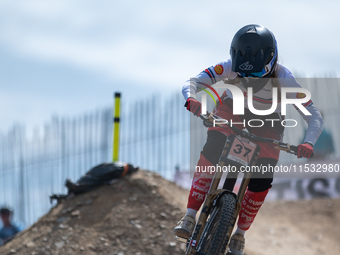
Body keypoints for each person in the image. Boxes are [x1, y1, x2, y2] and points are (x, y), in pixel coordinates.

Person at [173, 24, 323, 255]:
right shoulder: (230, 66)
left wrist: (308, 142)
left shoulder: (285, 78)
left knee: (262, 177)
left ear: (271, 61)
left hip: (268, 121)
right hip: (231, 109)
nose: (249, 78)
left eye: (255, 73)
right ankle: (190, 216)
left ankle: (240, 234)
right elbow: (192, 83)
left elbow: (314, 115)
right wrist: (191, 98)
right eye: (244, 74)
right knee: (213, 148)